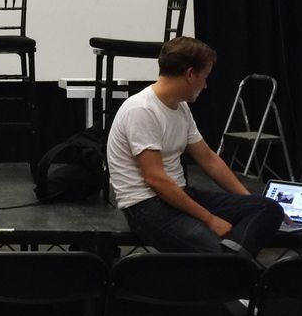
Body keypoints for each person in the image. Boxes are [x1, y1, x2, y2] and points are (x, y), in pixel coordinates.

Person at [107, 36, 286, 255]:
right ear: (190, 74)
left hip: (179, 194)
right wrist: (210, 220)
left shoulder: (180, 108)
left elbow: (209, 159)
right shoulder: (141, 110)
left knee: (268, 208)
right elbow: (156, 179)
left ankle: (231, 264)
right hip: (146, 206)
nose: (206, 84)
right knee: (214, 249)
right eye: (205, 76)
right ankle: (230, 265)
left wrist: (249, 200)